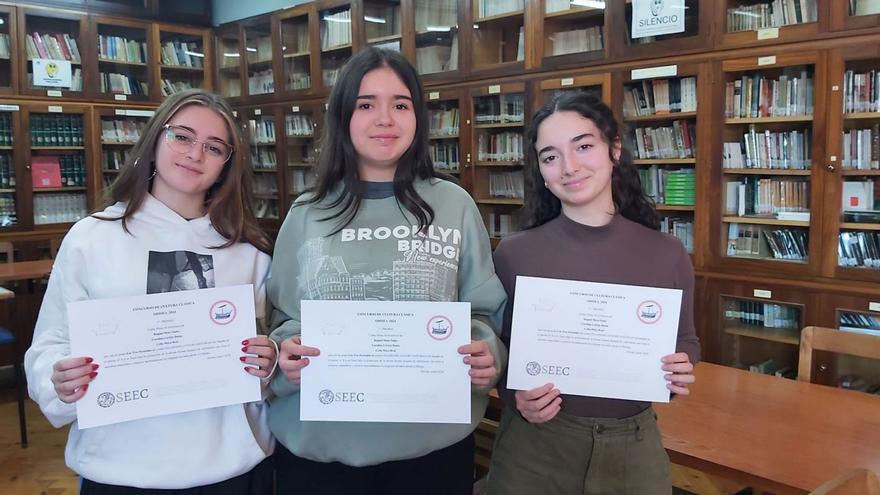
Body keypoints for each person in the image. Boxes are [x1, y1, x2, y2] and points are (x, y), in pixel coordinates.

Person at [267, 47, 507, 495]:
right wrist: (286, 354)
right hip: (320, 453)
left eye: (400, 104)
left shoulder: (454, 205)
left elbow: (484, 313)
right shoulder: (306, 214)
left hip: (431, 452)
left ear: (418, 118)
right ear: (343, 117)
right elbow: (282, 321)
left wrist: (485, 351)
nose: (385, 119)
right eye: (365, 104)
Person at [24, 89, 277, 494]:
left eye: (214, 147)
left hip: (232, 468)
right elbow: (50, 343)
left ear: (227, 165)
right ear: (155, 139)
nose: (195, 154)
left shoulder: (248, 251)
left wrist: (268, 361)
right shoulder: (91, 238)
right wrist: (58, 380)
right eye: (182, 136)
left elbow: (266, 358)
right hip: (120, 468)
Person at [486, 93, 700, 495]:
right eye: (550, 157)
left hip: (632, 448)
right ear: (541, 171)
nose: (569, 167)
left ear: (614, 149)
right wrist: (515, 395)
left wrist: (682, 366)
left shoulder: (667, 253)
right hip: (536, 449)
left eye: (583, 146)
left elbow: (685, 339)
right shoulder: (515, 254)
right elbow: (497, 352)